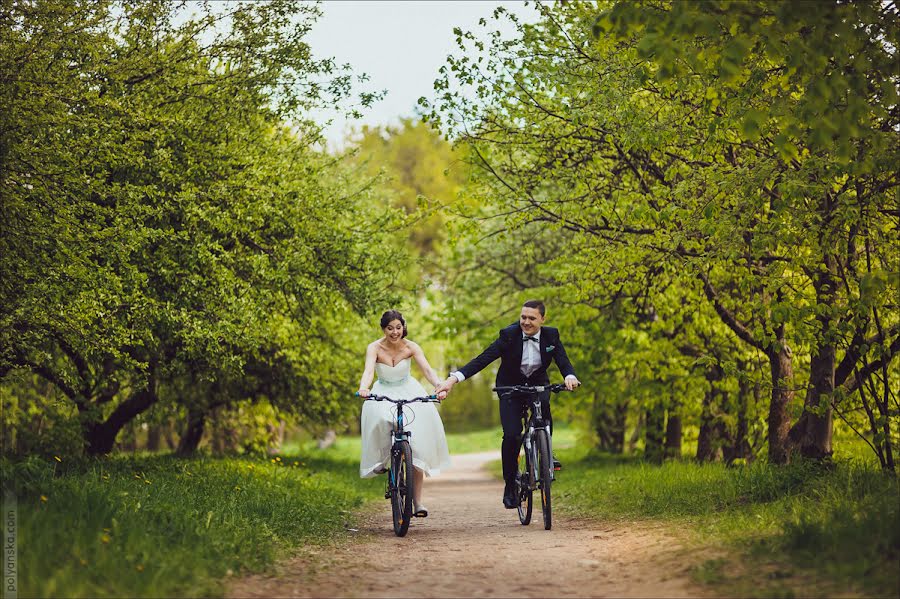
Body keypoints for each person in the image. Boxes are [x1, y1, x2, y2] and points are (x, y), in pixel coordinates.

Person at [435, 300, 580, 509]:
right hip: (509, 387)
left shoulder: (551, 335)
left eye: (532, 318)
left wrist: (570, 376)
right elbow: (482, 359)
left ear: (542, 319)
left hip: (537, 384)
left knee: (543, 411)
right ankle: (510, 483)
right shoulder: (509, 335)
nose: (526, 322)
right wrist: (452, 380)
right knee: (512, 435)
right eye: (523, 317)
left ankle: (546, 452)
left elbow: (563, 360)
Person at [358, 309, 451, 518]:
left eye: (398, 327)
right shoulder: (374, 347)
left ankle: (417, 502)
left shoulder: (411, 347)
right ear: (383, 329)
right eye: (390, 328)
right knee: (381, 419)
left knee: (416, 446)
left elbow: (427, 370)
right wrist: (364, 388)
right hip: (383, 390)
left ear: (403, 327)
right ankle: (383, 460)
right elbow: (368, 372)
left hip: (409, 389)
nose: (394, 332)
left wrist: (438, 386)